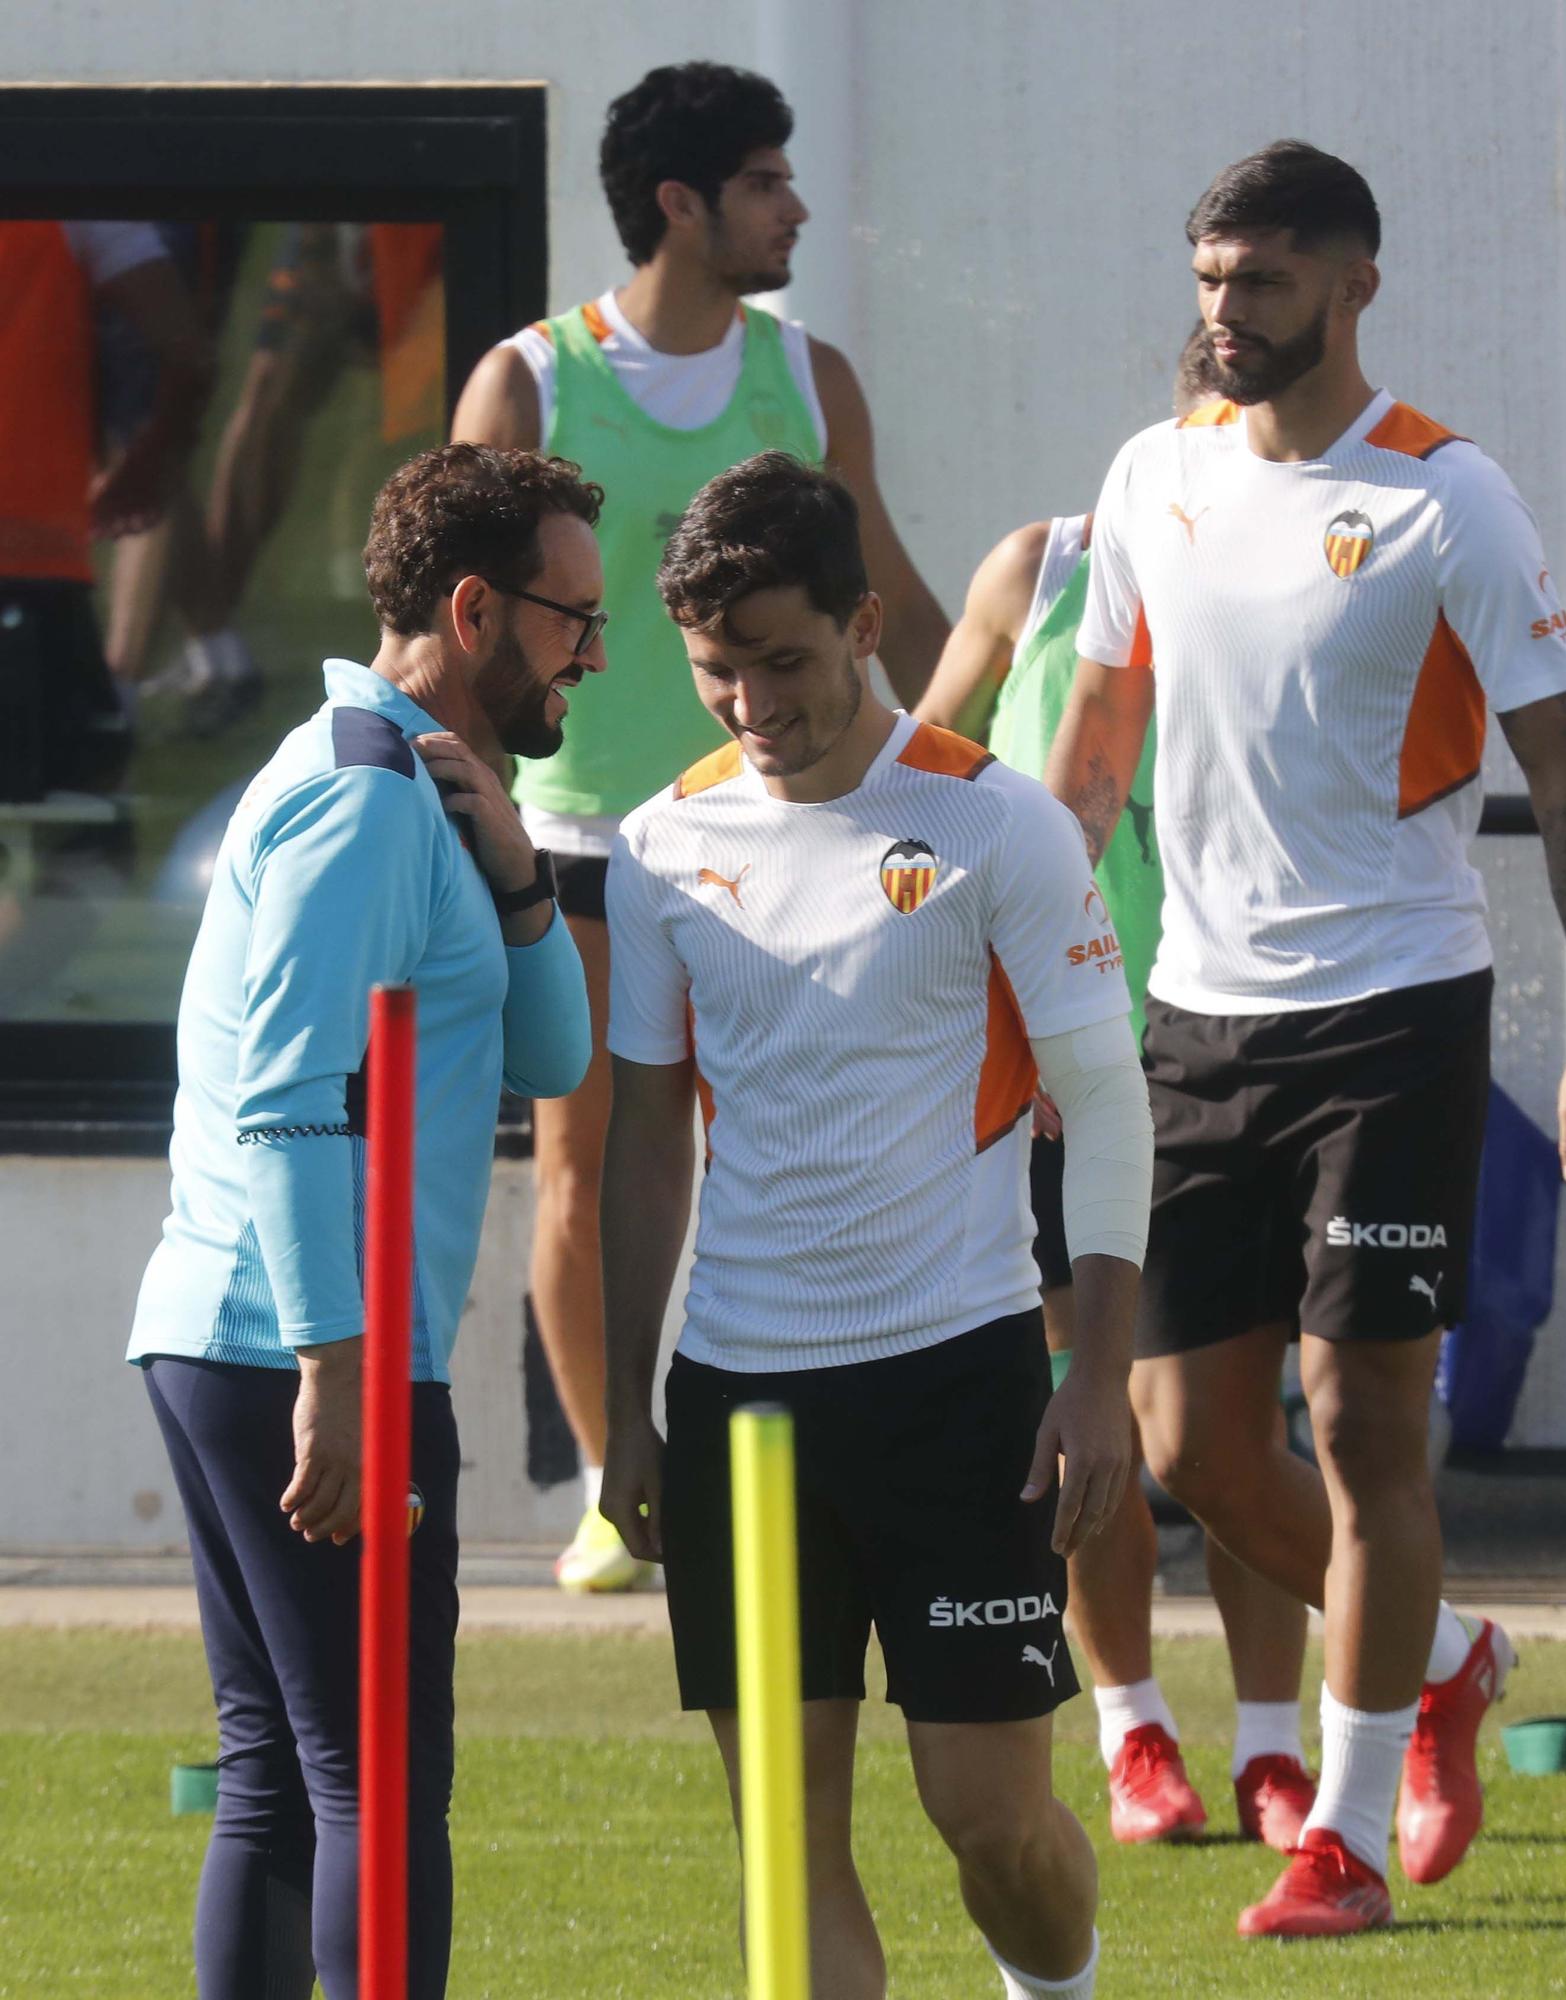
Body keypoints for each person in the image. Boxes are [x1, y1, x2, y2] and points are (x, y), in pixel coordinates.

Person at [1048, 139, 1566, 1937]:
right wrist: (1024, 984)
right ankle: (1441, 1664)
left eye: (1260, 284)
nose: (1222, 316)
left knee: (1364, 1426)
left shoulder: (1449, 498)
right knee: (1190, 1449)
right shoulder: (1149, 477)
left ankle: (1341, 1837)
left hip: (1394, 1020)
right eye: (1207, 281)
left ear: (1354, 285)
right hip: (1190, 1018)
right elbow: (1093, 746)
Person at [600, 452, 1153, 2000]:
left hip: (958, 1388)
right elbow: (645, 1139)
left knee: (989, 1821)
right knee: (786, 1848)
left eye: (780, 662)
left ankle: (1056, 1984)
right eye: (716, 673)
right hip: (742, 1412)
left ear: (858, 624)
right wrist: (631, 1420)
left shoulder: (999, 824)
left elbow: (1104, 1108)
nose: (749, 704)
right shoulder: (657, 849)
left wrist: (1095, 1373)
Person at [452, 61, 950, 1591]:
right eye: (763, 181)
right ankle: (620, 1489)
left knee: (783, 1154)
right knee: (586, 1163)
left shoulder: (809, 380)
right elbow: (457, 631)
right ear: (679, 205)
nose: (795, 206)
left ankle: (795, 1461)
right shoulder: (529, 379)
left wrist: (992, 779)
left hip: (773, 847)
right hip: (583, 843)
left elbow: (897, 603)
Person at [125, 441, 597, 2000]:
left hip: (252, 1336)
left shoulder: (417, 792)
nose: (589, 657)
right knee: (369, 1788)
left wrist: (520, 881)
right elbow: (285, 1100)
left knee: (284, 1777)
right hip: (303, 1348)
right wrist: (340, 1372)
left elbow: (550, 1061)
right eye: (567, 620)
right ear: (472, 609)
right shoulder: (362, 801)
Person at [914, 329, 1313, 1852]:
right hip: (1049, 1067)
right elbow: (922, 762)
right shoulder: (1044, 569)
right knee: (1083, 1422)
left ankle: (1274, 1746)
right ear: (1171, 432)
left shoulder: (1298, 583)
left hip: (1219, 1050)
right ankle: (1135, 1730)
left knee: (1225, 1415)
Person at [0, 219, 211, 800]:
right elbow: (187, 353)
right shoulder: (72, 186)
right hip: (35, 576)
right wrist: (152, 459)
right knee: (76, 832)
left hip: (39, 578)